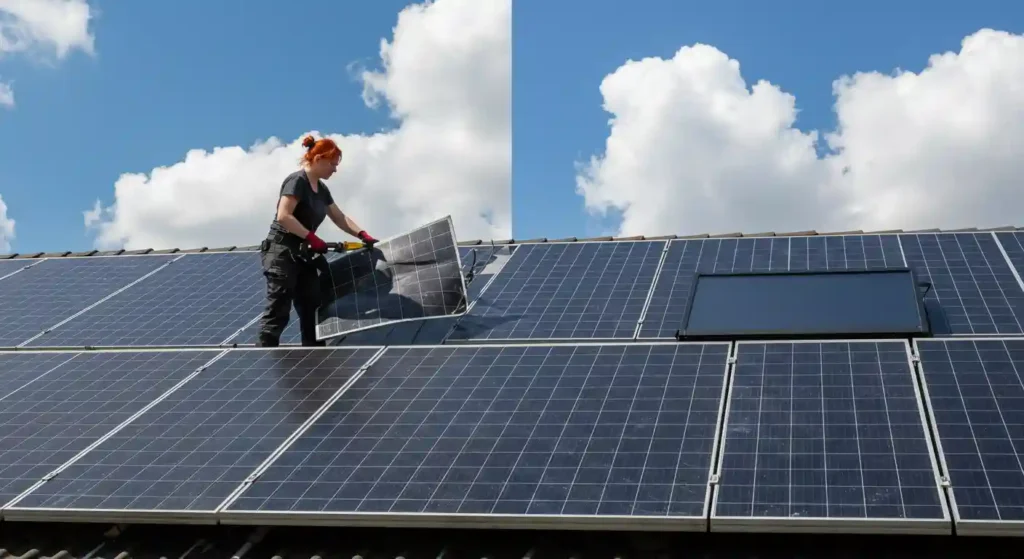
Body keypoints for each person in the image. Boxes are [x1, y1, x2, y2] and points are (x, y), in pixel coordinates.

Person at [256, 134, 379, 347]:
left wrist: (362, 234)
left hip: (304, 255)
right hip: (282, 251)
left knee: (312, 305)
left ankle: (312, 357)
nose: (335, 169)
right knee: (280, 305)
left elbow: (339, 217)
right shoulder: (297, 181)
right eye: (332, 164)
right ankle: (265, 351)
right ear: (319, 159)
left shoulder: (321, 189)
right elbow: (283, 216)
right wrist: (311, 236)